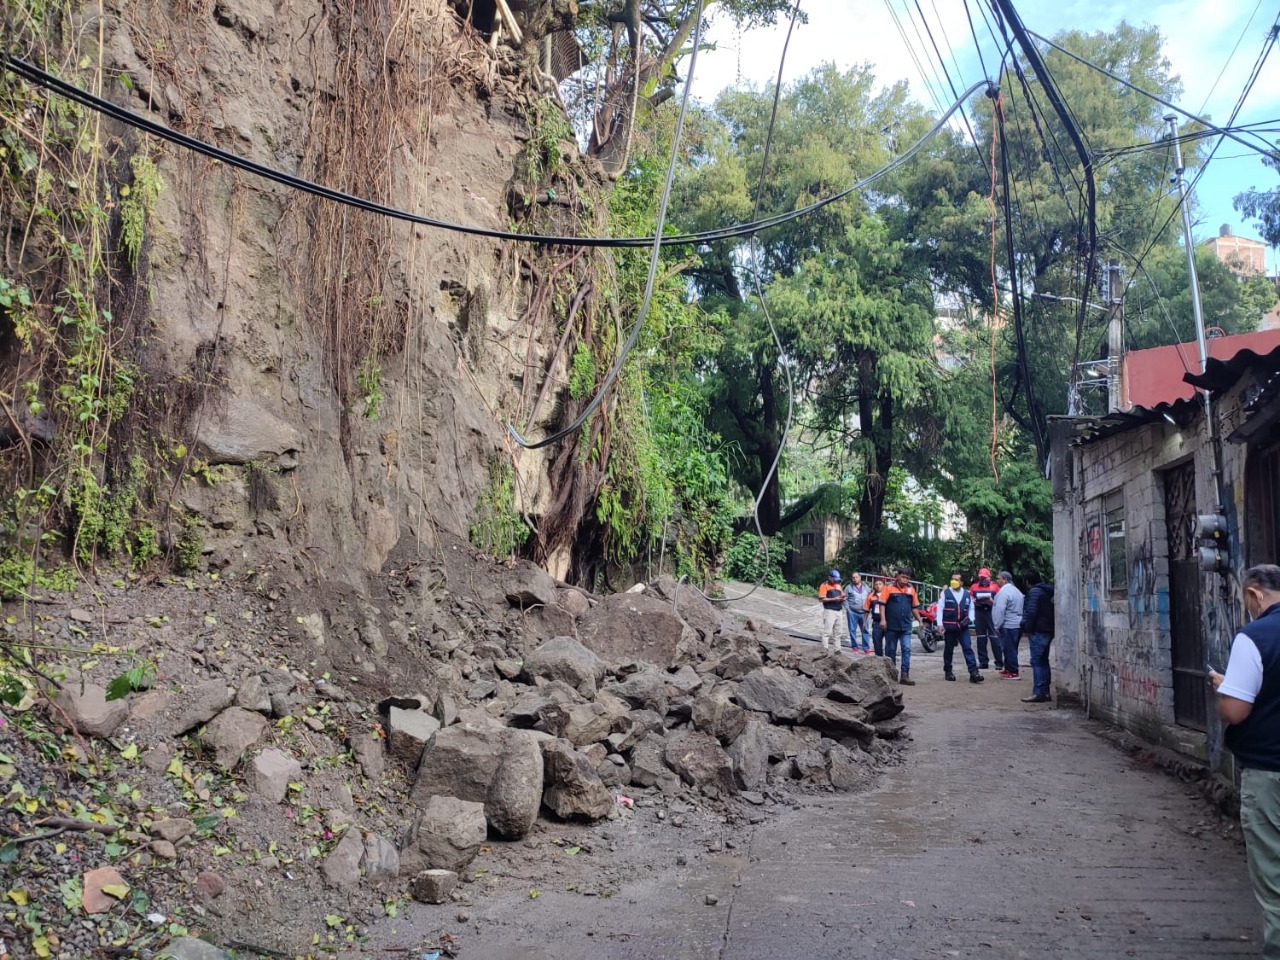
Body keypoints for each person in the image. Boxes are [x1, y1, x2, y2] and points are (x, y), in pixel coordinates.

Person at [1209, 564, 1280, 958]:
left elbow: (1235, 711)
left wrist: (1225, 690)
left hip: (1271, 773)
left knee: (1275, 881)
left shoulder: (1255, 637)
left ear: (1254, 595)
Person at [936, 572, 984, 684]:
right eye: (952, 579)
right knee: (949, 649)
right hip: (949, 626)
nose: (954, 581)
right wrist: (939, 624)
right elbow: (939, 609)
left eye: (957, 580)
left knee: (967, 648)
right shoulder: (945, 593)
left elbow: (971, 609)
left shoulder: (967, 595)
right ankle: (948, 670)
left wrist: (970, 618)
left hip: (963, 627)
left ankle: (973, 672)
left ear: (961, 582)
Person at [879, 567, 924, 685]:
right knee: (891, 650)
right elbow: (882, 605)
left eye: (907, 578)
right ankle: (891, 676)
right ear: (897, 576)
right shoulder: (888, 588)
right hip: (891, 626)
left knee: (907, 649)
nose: (905, 580)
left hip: (906, 626)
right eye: (903, 577)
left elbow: (914, 607)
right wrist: (883, 620)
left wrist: (920, 620)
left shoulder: (911, 590)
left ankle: (905, 675)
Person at [1020, 571, 1055, 703]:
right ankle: (1045, 692)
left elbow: (1031, 612)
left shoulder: (1034, 592)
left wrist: (1027, 629)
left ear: (1028, 581)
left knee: (1037, 661)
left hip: (1038, 630)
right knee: (1043, 661)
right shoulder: (1046, 591)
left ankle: (1039, 692)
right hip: (1047, 629)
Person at [990, 570, 1025, 680]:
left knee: (1009, 649)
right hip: (1017, 624)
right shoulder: (1016, 591)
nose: (997, 580)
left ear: (1005, 579)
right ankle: (1009, 668)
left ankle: (1014, 672)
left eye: (998, 578)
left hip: (1008, 624)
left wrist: (997, 625)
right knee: (1012, 648)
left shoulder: (1004, 593)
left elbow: (1000, 610)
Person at [969, 568, 1001, 670]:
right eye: (981, 577)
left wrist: (992, 601)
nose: (982, 579)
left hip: (991, 612)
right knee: (981, 638)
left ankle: (999, 662)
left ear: (989, 577)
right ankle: (983, 662)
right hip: (979, 612)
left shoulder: (995, 587)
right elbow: (969, 599)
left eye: (984, 577)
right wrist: (972, 601)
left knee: (994, 637)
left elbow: (1000, 600)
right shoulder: (974, 587)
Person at [817, 569, 847, 653]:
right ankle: (824, 649)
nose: (836, 581)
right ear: (830, 577)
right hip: (829, 611)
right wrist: (834, 599)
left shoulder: (838, 585)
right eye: (834, 579)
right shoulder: (824, 585)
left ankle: (837, 650)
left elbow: (842, 594)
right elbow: (821, 599)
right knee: (827, 632)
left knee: (838, 632)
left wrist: (843, 598)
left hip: (839, 610)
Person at [844, 572, 872, 654]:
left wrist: (869, 609)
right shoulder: (848, 587)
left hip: (864, 613)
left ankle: (866, 648)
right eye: (853, 577)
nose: (855, 579)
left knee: (865, 630)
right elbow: (844, 598)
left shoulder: (866, 587)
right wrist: (847, 609)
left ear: (860, 577)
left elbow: (870, 597)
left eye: (856, 577)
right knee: (852, 630)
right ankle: (855, 648)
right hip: (852, 612)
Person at [865, 578, 886, 657]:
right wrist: (864, 621)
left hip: (888, 622)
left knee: (890, 644)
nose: (878, 586)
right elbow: (866, 609)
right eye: (876, 584)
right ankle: (879, 659)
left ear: (884, 585)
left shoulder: (888, 595)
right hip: (877, 622)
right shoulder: (871, 596)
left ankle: (889, 661)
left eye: (880, 584)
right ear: (874, 585)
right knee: (877, 642)